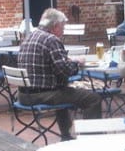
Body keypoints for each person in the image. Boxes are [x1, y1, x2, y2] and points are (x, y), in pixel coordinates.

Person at [16, 8, 101, 140]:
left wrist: (67, 61)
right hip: (40, 95)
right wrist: (77, 63)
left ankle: (66, 135)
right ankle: (91, 139)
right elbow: (65, 71)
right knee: (92, 99)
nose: (63, 31)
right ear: (55, 26)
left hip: (23, 95)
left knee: (63, 89)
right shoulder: (51, 40)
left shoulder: (29, 37)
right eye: (63, 27)